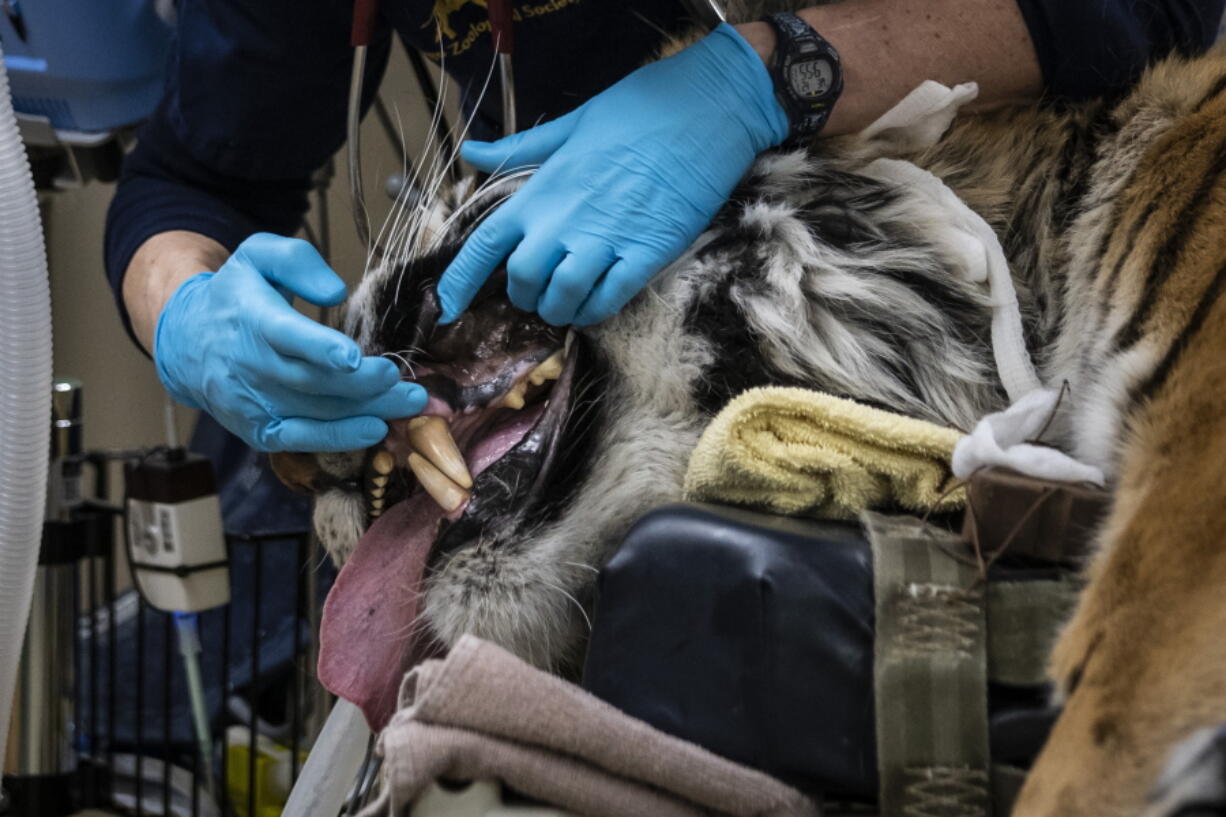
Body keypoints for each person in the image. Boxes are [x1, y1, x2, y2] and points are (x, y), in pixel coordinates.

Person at [106, 0, 1225, 454]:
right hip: (620, 381)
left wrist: (766, 75)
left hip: (1000, 304)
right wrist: (192, 318)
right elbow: (189, 183)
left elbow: (1145, 9)